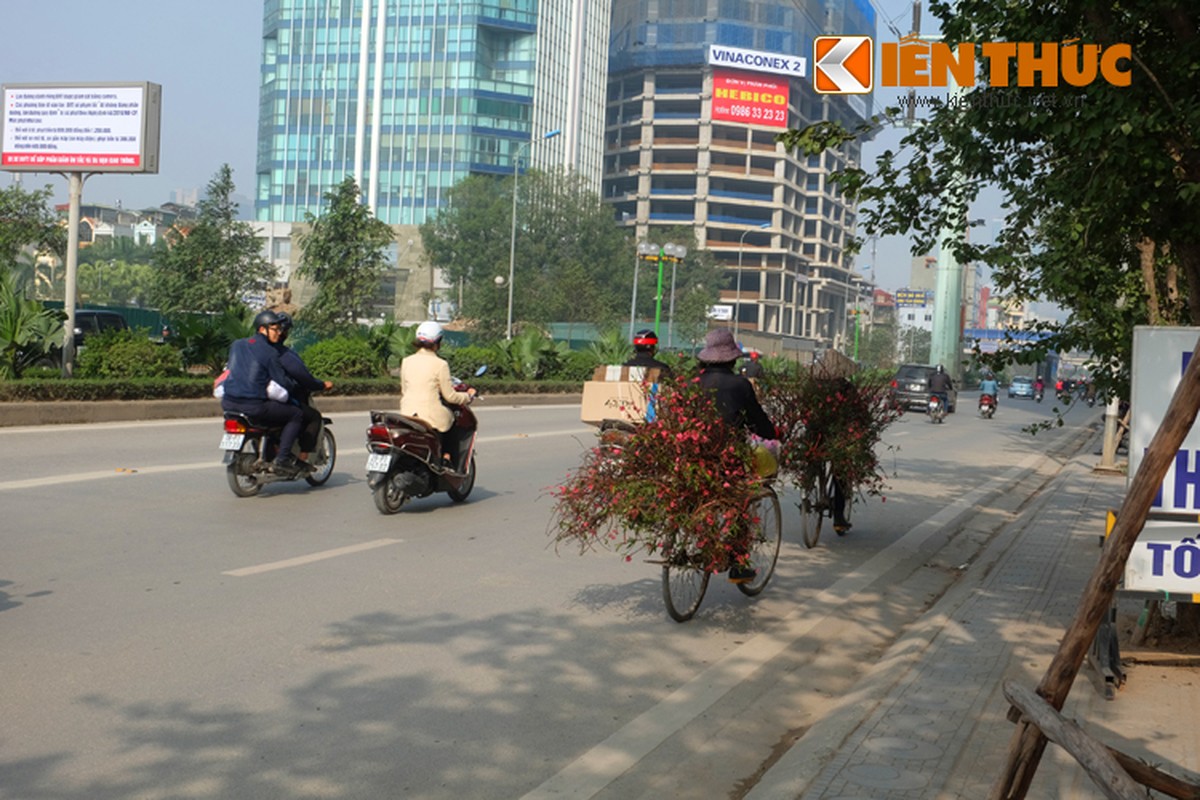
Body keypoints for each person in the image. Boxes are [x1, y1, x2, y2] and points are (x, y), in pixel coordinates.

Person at [696, 329, 776, 584]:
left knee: (698, 498)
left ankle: (704, 541)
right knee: (742, 500)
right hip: (727, 457)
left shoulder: (690, 383)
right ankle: (739, 564)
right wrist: (771, 436)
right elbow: (757, 422)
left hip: (692, 457)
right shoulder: (739, 385)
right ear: (732, 359)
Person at [220, 310, 305, 476]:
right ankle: (282, 459)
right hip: (254, 406)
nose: (279, 333)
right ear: (262, 329)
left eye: (280, 330)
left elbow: (231, 369)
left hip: (228, 404)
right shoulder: (270, 352)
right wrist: (294, 386)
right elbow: (282, 381)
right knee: (296, 414)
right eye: (275, 329)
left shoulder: (237, 344)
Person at [399, 321, 477, 470]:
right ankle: (447, 458)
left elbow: (405, 390)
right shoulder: (440, 364)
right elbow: (450, 397)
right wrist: (468, 397)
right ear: (438, 341)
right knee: (452, 420)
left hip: (407, 413)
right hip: (429, 415)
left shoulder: (406, 361)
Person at [273, 312, 333, 465]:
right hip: (276, 400)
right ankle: (302, 457)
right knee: (311, 417)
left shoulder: (249, 349)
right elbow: (302, 376)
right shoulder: (282, 353)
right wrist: (320, 385)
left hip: (245, 401)